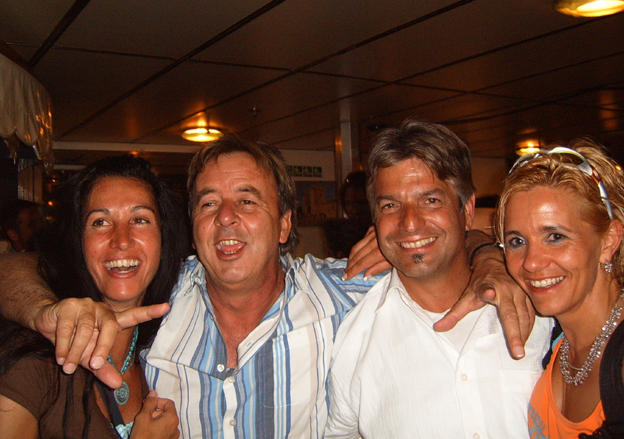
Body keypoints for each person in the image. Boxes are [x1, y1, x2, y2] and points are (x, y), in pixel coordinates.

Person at [0, 133, 532, 438]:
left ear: (284, 224)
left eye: (248, 200)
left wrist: (487, 255)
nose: (226, 218)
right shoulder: (157, 294)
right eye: (209, 202)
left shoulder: (347, 293)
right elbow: (16, 270)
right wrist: (46, 311)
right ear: (192, 225)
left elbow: (428, 244)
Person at [325, 120, 553, 438]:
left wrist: (489, 252)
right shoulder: (355, 339)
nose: (409, 222)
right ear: (375, 219)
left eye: (430, 200)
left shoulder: (540, 303)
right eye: (390, 205)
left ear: (468, 210)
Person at [0, 156, 184, 439]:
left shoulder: (160, 352)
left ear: (163, 239)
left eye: (140, 219)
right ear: (78, 243)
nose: (122, 240)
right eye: (100, 222)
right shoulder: (36, 362)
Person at [494, 140, 624, 438]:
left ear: (609, 240)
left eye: (555, 236)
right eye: (517, 241)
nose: (531, 262)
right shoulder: (554, 340)